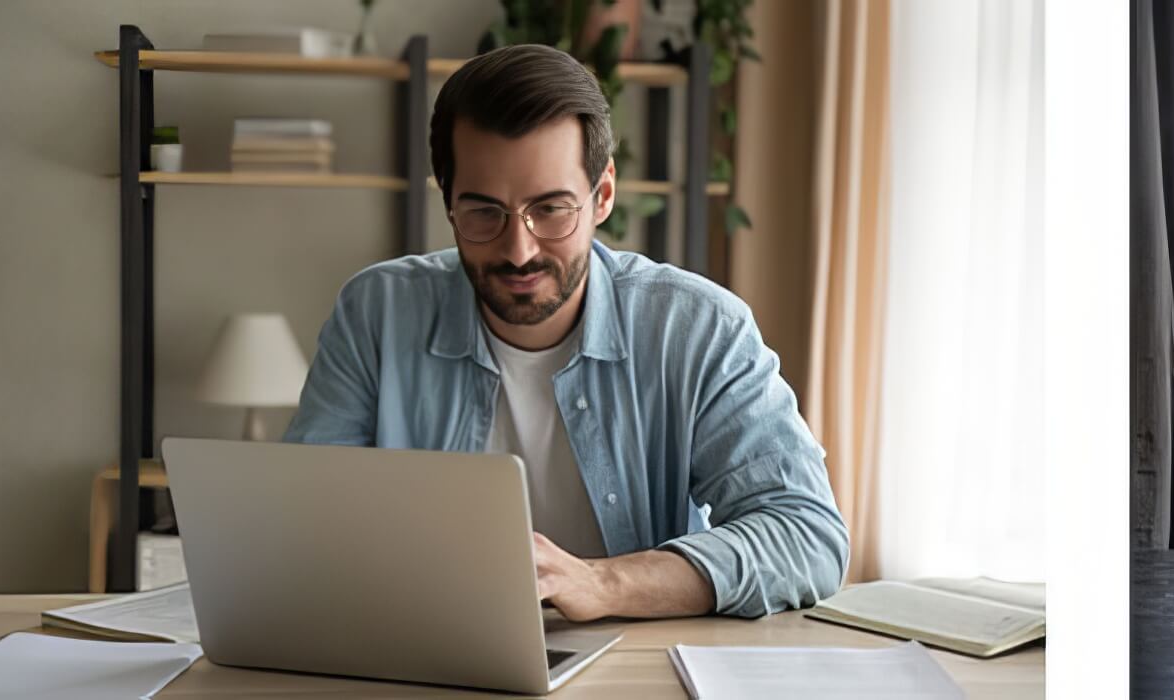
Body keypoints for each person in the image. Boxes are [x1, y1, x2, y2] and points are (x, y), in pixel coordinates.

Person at [284, 44, 848, 620]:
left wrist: (601, 583)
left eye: (551, 209)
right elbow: (305, 523)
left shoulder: (697, 327)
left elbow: (806, 535)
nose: (518, 249)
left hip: (632, 664)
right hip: (424, 649)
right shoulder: (375, 313)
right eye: (484, 212)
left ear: (602, 194)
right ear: (449, 202)